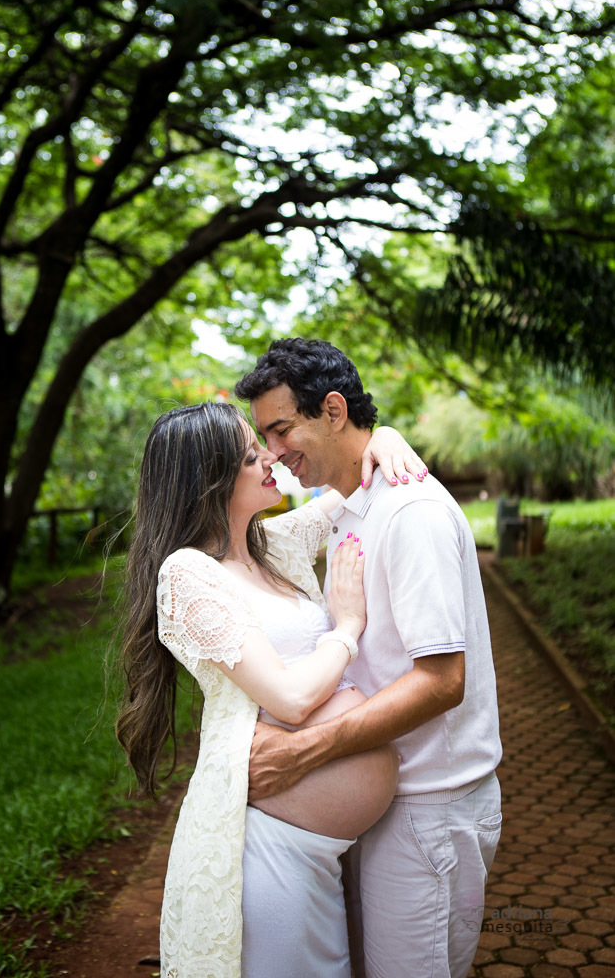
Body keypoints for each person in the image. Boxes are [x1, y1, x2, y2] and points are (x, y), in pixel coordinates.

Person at [116, 401, 426, 978]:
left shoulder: (273, 546)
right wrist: (347, 628)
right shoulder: (188, 574)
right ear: (205, 479)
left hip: (323, 848)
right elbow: (288, 698)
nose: (270, 458)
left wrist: (383, 435)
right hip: (270, 849)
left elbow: (353, 482)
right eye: (248, 455)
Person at [234, 338, 503, 978]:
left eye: (280, 429)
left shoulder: (410, 512)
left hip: (428, 811)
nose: (273, 452)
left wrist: (305, 751)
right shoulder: (351, 507)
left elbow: (442, 682)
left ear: (333, 410)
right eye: (264, 437)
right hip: (383, 810)